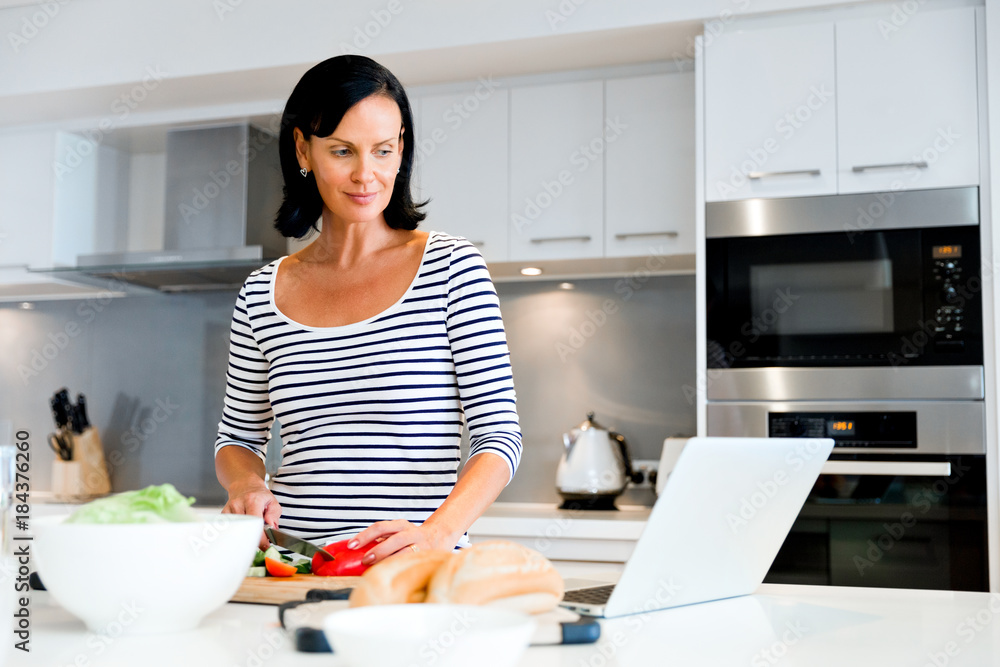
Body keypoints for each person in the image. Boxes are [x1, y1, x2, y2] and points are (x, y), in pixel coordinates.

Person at [214, 55, 522, 566]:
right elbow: (238, 438)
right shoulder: (262, 292)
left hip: (415, 572)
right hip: (297, 566)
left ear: (401, 150)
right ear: (303, 149)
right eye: (342, 151)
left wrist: (438, 532)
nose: (366, 174)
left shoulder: (450, 266)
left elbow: (498, 435)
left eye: (383, 150)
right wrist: (247, 483)